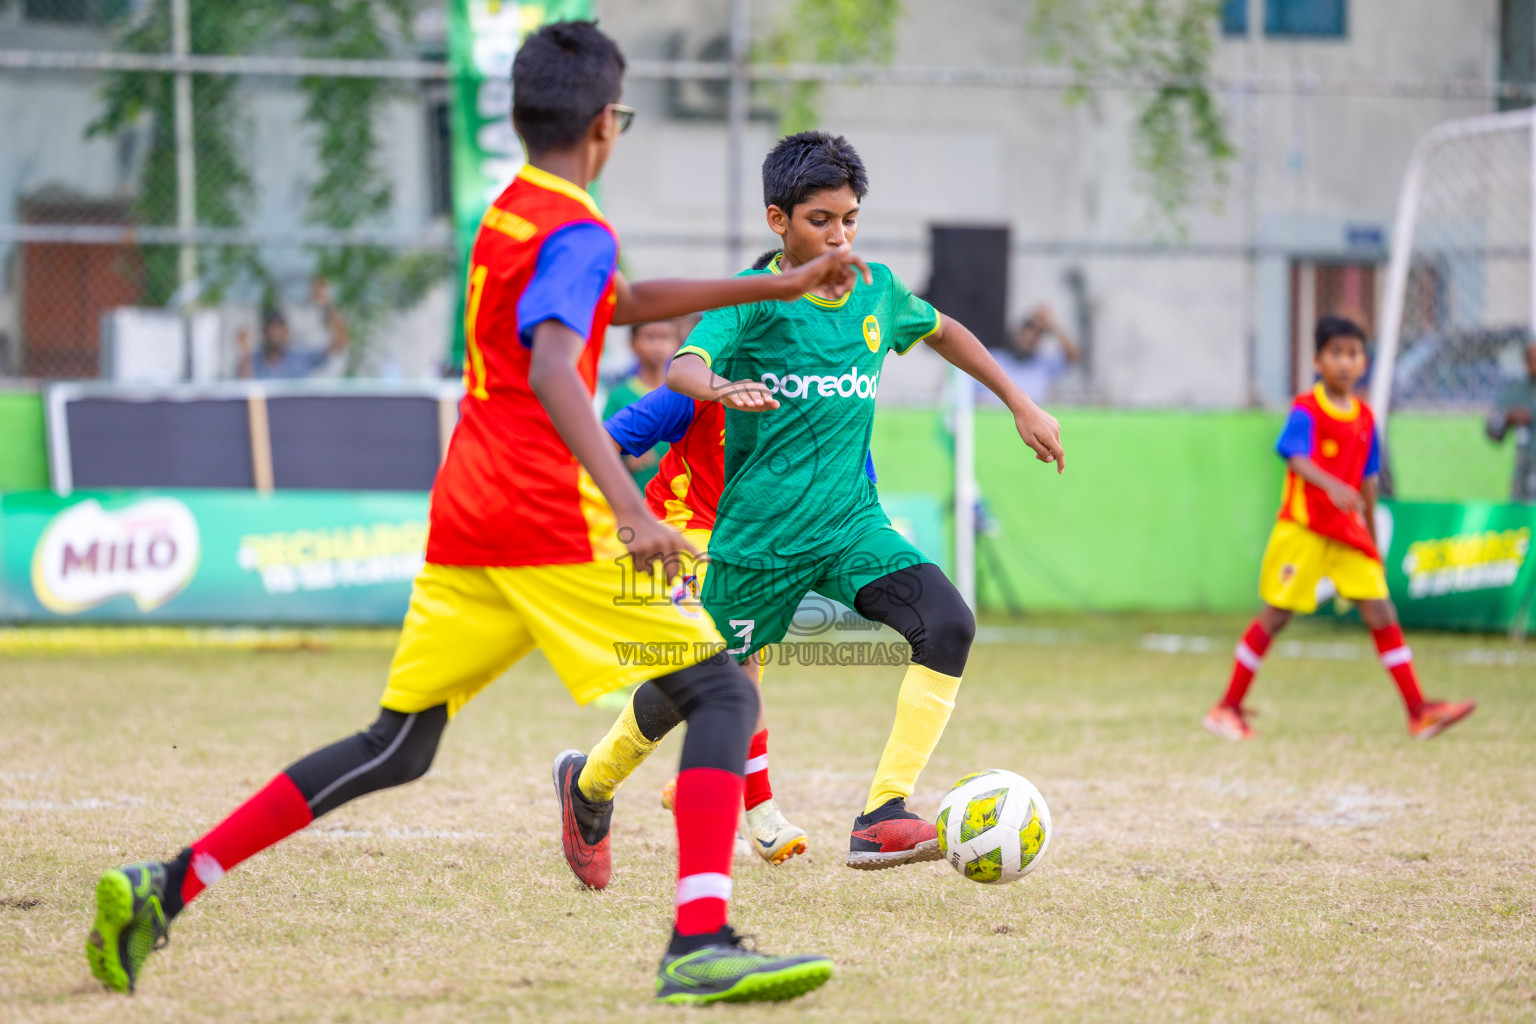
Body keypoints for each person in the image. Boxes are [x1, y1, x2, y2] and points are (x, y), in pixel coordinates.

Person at [84, 21, 870, 1006]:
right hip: (544, 517)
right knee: (724, 695)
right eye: (620, 115)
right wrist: (630, 505)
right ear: (601, 126)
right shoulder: (578, 228)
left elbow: (620, 302)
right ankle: (700, 937)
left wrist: (782, 280)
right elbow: (554, 358)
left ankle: (166, 886)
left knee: (397, 743)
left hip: (468, 514)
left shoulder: (512, 212)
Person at [664, 131, 1064, 871]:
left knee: (948, 624)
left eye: (849, 218)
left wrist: (1019, 401)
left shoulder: (878, 289)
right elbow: (682, 363)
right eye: (821, 219)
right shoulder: (755, 298)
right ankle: (589, 781)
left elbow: (944, 331)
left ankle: (883, 813)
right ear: (777, 220)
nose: (839, 234)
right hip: (758, 540)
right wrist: (721, 388)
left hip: (850, 527)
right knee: (691, 690)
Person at [574, 279, 882, 874]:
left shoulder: (818, 396)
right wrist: (626, 520)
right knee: (737, 665)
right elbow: (609, 442)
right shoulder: (699, 393)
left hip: (752, 543)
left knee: (719, 672)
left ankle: (597, 782)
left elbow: (852, 482)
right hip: (682, 533)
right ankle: (760, 812)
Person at [1204, 316, 1477, 742]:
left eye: (1353, 354)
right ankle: (1227, 708)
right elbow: (1295, 458)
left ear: (1364, 362)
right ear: (1318, 360)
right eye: (1336, 353)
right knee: (1276, 616)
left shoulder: (1367, 421)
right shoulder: (1307, 409)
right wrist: (1331, 485)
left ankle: (1418, 711)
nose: (1345, 362)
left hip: (1347, 533)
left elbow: (1368, 484)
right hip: (1304, 530)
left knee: (1382, 612)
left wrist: (1371, 535)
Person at [603, 319, 684, 487]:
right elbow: (602, 447)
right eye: (649, 337)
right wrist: (626, 464)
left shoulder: (684, 393)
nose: (658, 346)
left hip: (679, 501)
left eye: (665, 337)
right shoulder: (619, 396)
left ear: (677, 342)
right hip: (637, 496)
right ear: (633, 343)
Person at [238, 279, 349, 379]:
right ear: (263, 333)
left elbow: (338, 343)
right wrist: (244, 352)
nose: (275, 334)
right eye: (271, 329)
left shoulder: (299, 358)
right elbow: (244, 381)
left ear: (287, 332)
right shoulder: (254, 361)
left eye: (279, 329)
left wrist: (327, 305)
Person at [1485, 339, 1536, 502]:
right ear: (1526, 363)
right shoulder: (1518, 392)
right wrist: (1508, 417)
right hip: (1527, 474)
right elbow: (1492, 429)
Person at [1004, 303, 1080, 402]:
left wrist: (1052, 326)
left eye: (1035, 338)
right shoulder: (996, 359)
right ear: (1018, 335)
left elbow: (1072, 355)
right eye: (1026, 335)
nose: (1029, 339)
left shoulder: (1044, 365)